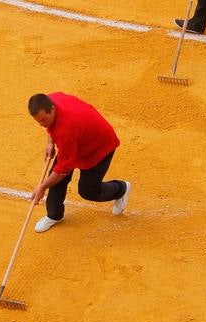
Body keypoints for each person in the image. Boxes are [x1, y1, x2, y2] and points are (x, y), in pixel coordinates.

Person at [28, 92, 130, 233]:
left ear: (52, 109)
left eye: (44, 120)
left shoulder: (65, 131)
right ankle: (54, 215)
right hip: (79, 139)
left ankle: (121, 189)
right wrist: (50, 142)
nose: (42, 125)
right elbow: (51, 129)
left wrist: (42, 187)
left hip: (98, 148)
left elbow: (62, 170)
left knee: (88, 191)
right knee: (56, 181)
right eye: (38, 122)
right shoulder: (51, 99)